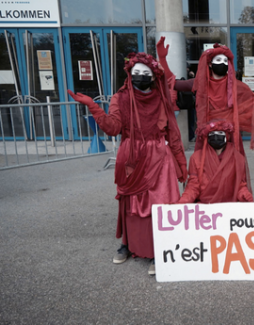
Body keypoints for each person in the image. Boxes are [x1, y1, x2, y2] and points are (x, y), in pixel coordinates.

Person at [68, 52, 187, 276]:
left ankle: (158, 251)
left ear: (153, 76)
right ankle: (129, 244)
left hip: (159, 157)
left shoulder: (162, 99)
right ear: (129, 74)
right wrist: (93, 107)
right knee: (131, 205)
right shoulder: (119, 98)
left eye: (146, 73)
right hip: (131, 156)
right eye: (136, 73)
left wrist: (182, 164)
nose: (140, 77)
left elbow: (174, 134)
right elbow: (113, 128)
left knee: (159, 205)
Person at [156, 37, 254, 155]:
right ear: (209, 64)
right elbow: (173, 83)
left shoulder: (236, 87)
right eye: (217, 60)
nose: (222, 64)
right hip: (207, 137)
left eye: (224, 61)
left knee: (231, 174)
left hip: (230, 137)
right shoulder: (199, 84)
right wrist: (162, 59)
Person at [177, 119, 253, 204]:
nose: (216, 137)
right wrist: (183, 202)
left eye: (220, 133)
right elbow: (193, 185)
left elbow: (240, 185)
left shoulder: (238, 159)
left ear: (227, 136)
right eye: (212, 134)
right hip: (205, 208)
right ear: (207, 137)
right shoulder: (196, 158)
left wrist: (246, 196)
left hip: (228, 207)